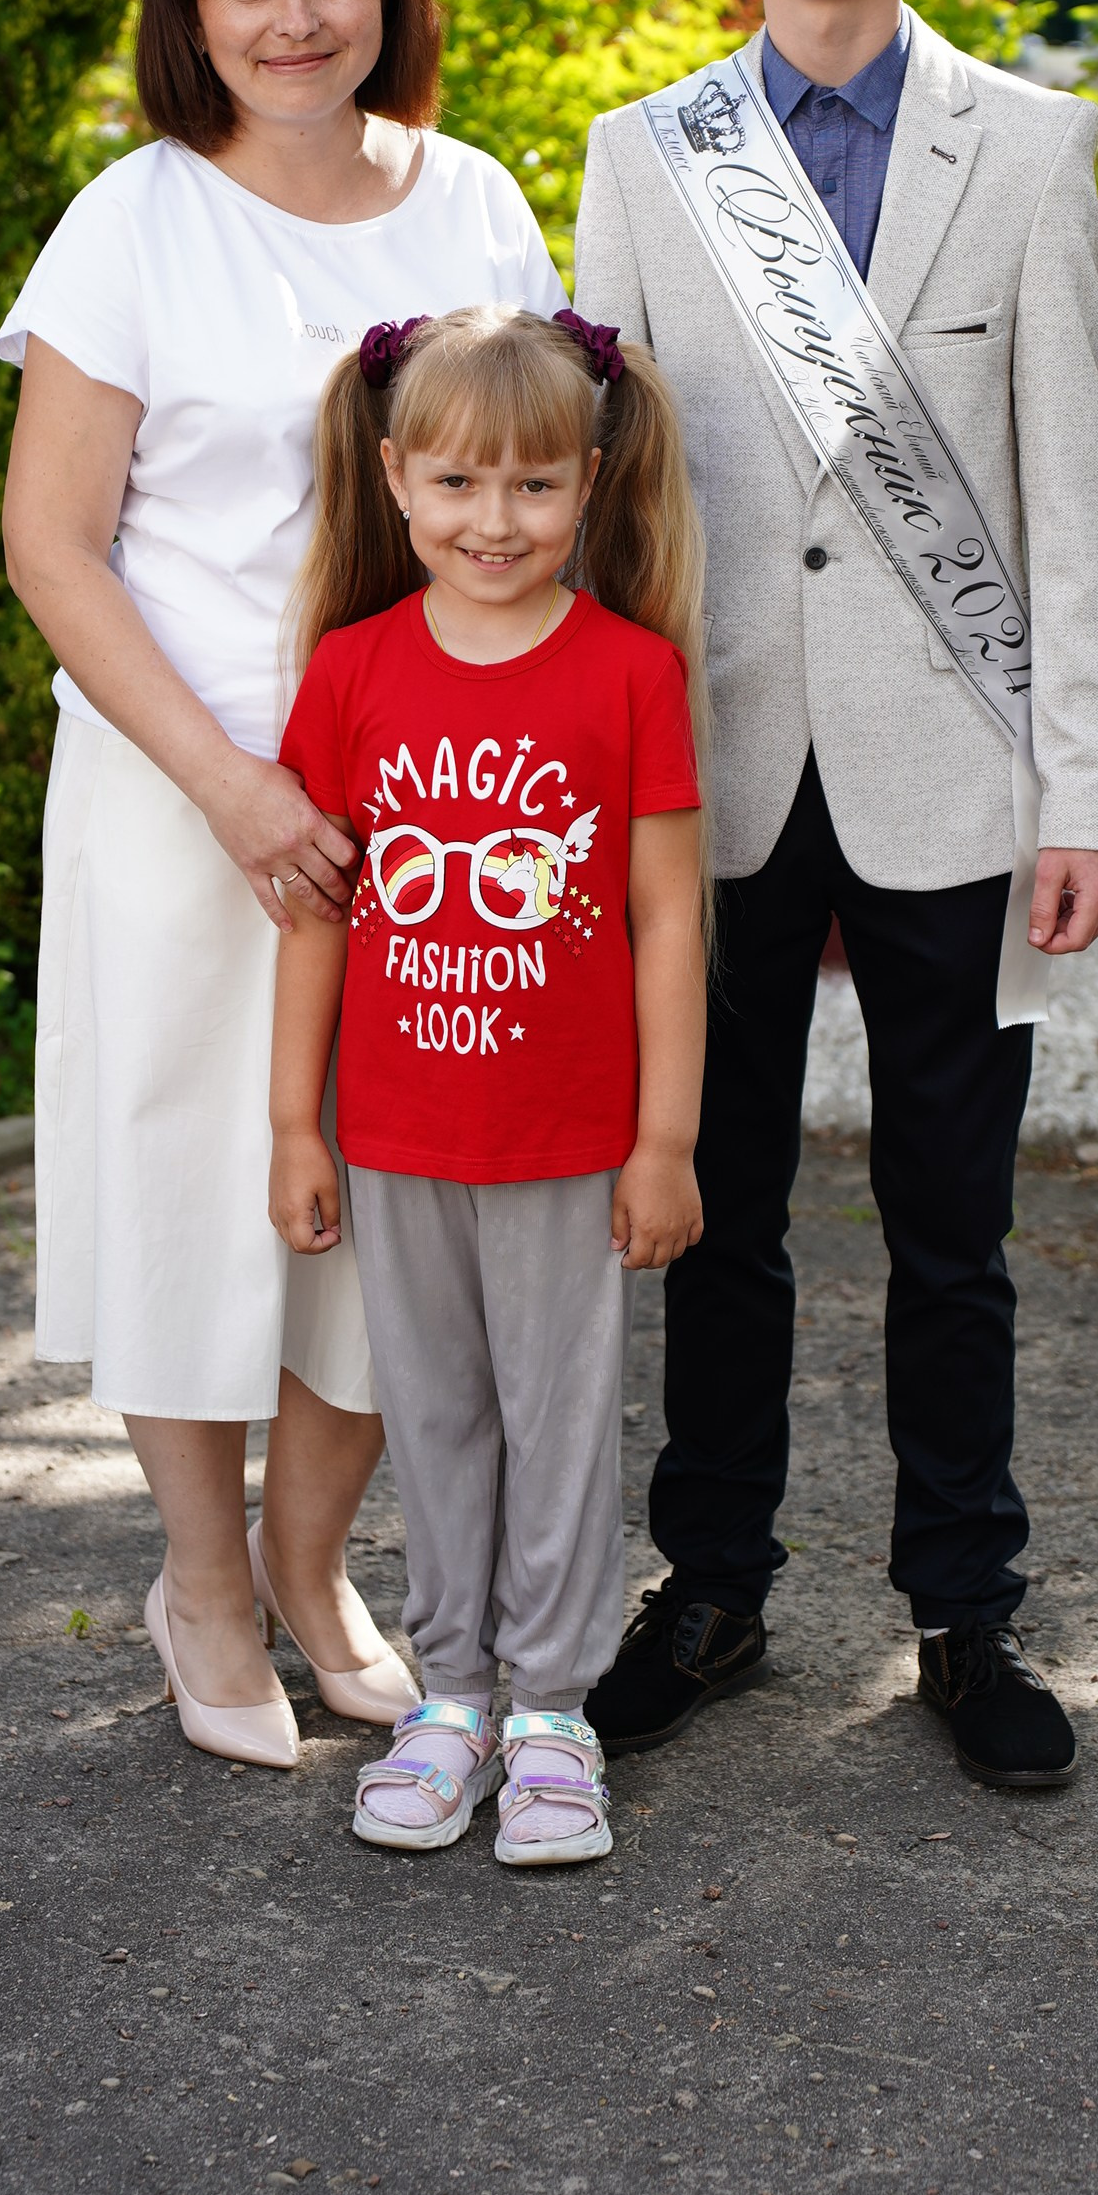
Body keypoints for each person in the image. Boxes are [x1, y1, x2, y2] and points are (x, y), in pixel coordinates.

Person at [573, 0, 1098, 1788]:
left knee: (950, 1223)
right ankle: (708, 1585)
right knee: (708, 1203)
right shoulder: (645, 159)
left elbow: (1072, 497)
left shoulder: (1032, 148)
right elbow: (606, 504)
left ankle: (964, 1613)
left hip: (956, 764)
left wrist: (1093, 785)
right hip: (700, 776)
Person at [0, 0, 567, 1769]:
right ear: (193, 9)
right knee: (197, 1190)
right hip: (187, 795)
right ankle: (204, 1584)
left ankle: (315, 1568)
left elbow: (533, 475)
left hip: (432, 793)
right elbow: (55, 545)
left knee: (399, 1194)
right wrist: (236, 787)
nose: (292, 16)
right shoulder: (132, 223)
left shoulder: (476, 202)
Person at [267, 304, 708, 1863]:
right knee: (438, 1414)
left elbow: (667, 920)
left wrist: (665, 1140)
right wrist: (290, 1128)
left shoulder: (631, 675)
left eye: (531, 487)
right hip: (396, 1137)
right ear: (394, 479)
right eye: (456, 485)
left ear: (587, 484)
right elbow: (318, 915)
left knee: (561, 1418)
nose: (492, 521)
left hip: (571, 1143)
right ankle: (450, 1690)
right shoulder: (351, 673)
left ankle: (554, 1715)